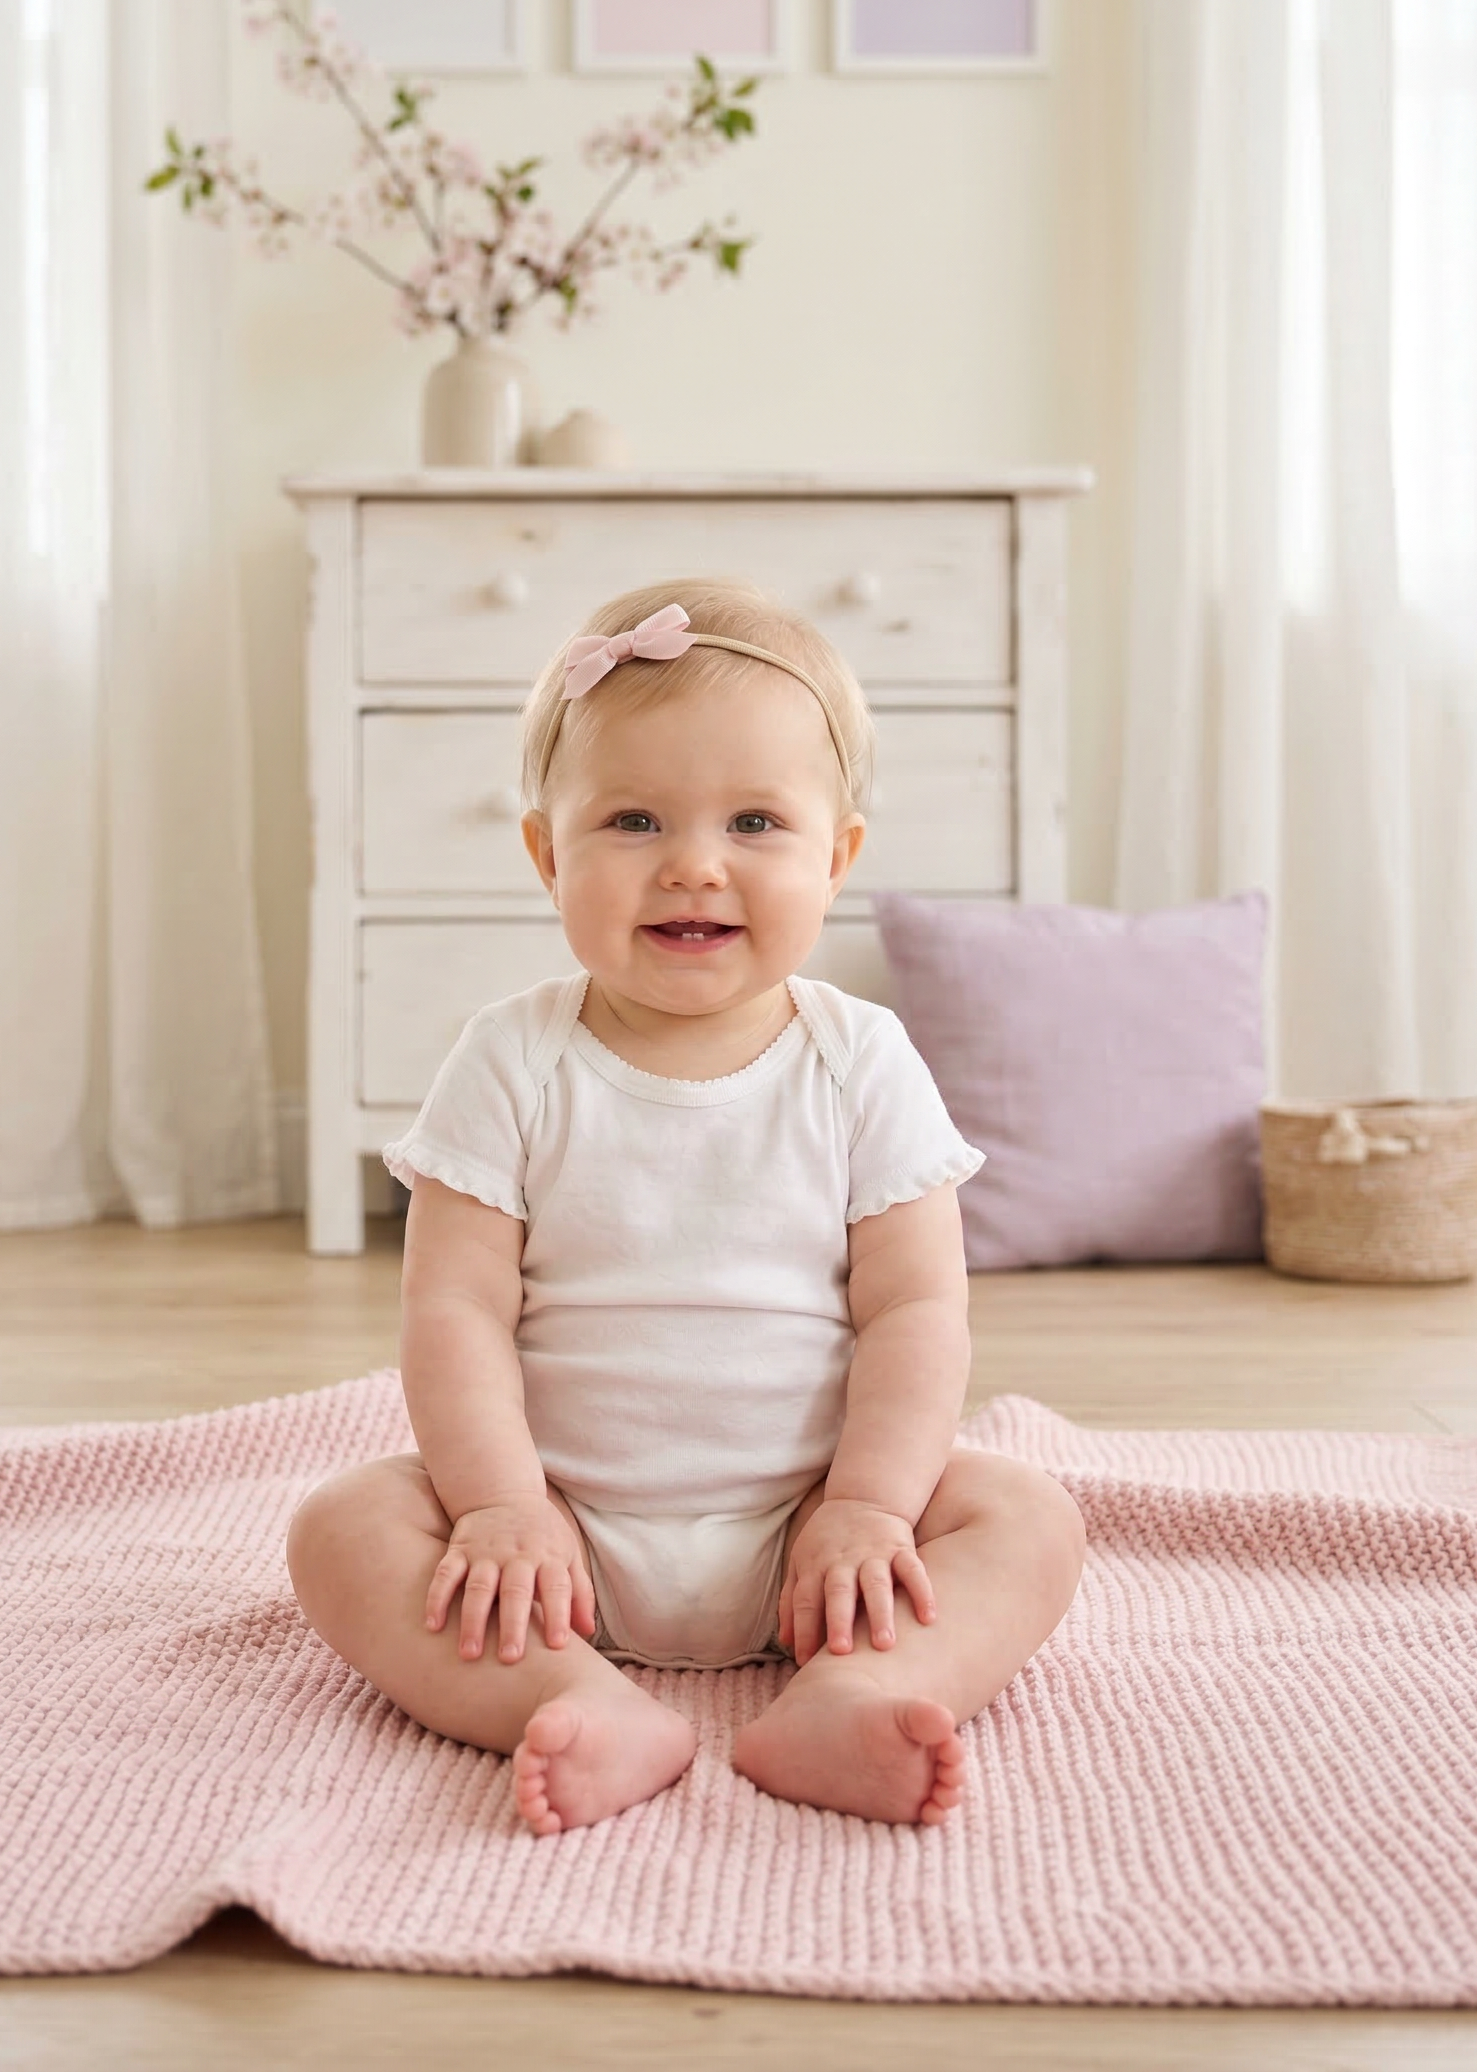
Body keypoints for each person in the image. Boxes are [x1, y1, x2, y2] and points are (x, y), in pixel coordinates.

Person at [286, 578, 1085, 1836]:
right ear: (548, 854)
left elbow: (916, 1312)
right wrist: (499, 1506)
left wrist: (869, 1506)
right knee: (344, 1528)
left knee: (1027, 1519)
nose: (693, 865)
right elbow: (454, 1311)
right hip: (558, 1538)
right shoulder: (510, 1059)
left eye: (755, 822)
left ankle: (860, 1690)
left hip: (813, 1536)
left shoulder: (860, 1061)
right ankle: (569, 1696)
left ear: (836, 858)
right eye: (633, 820)